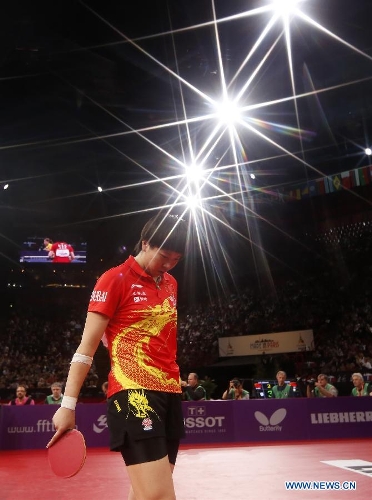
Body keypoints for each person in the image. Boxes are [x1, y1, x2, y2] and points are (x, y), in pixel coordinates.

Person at [47, 212, 189, 500]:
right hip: (134, 393)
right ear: (145, 243)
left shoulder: (171, 283)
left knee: (143, 494)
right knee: (160, 496)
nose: (169, 265)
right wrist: (68, 405)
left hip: (170, 392)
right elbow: (86, 349)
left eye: (176, 259)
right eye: (164, 256)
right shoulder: (114, 280)